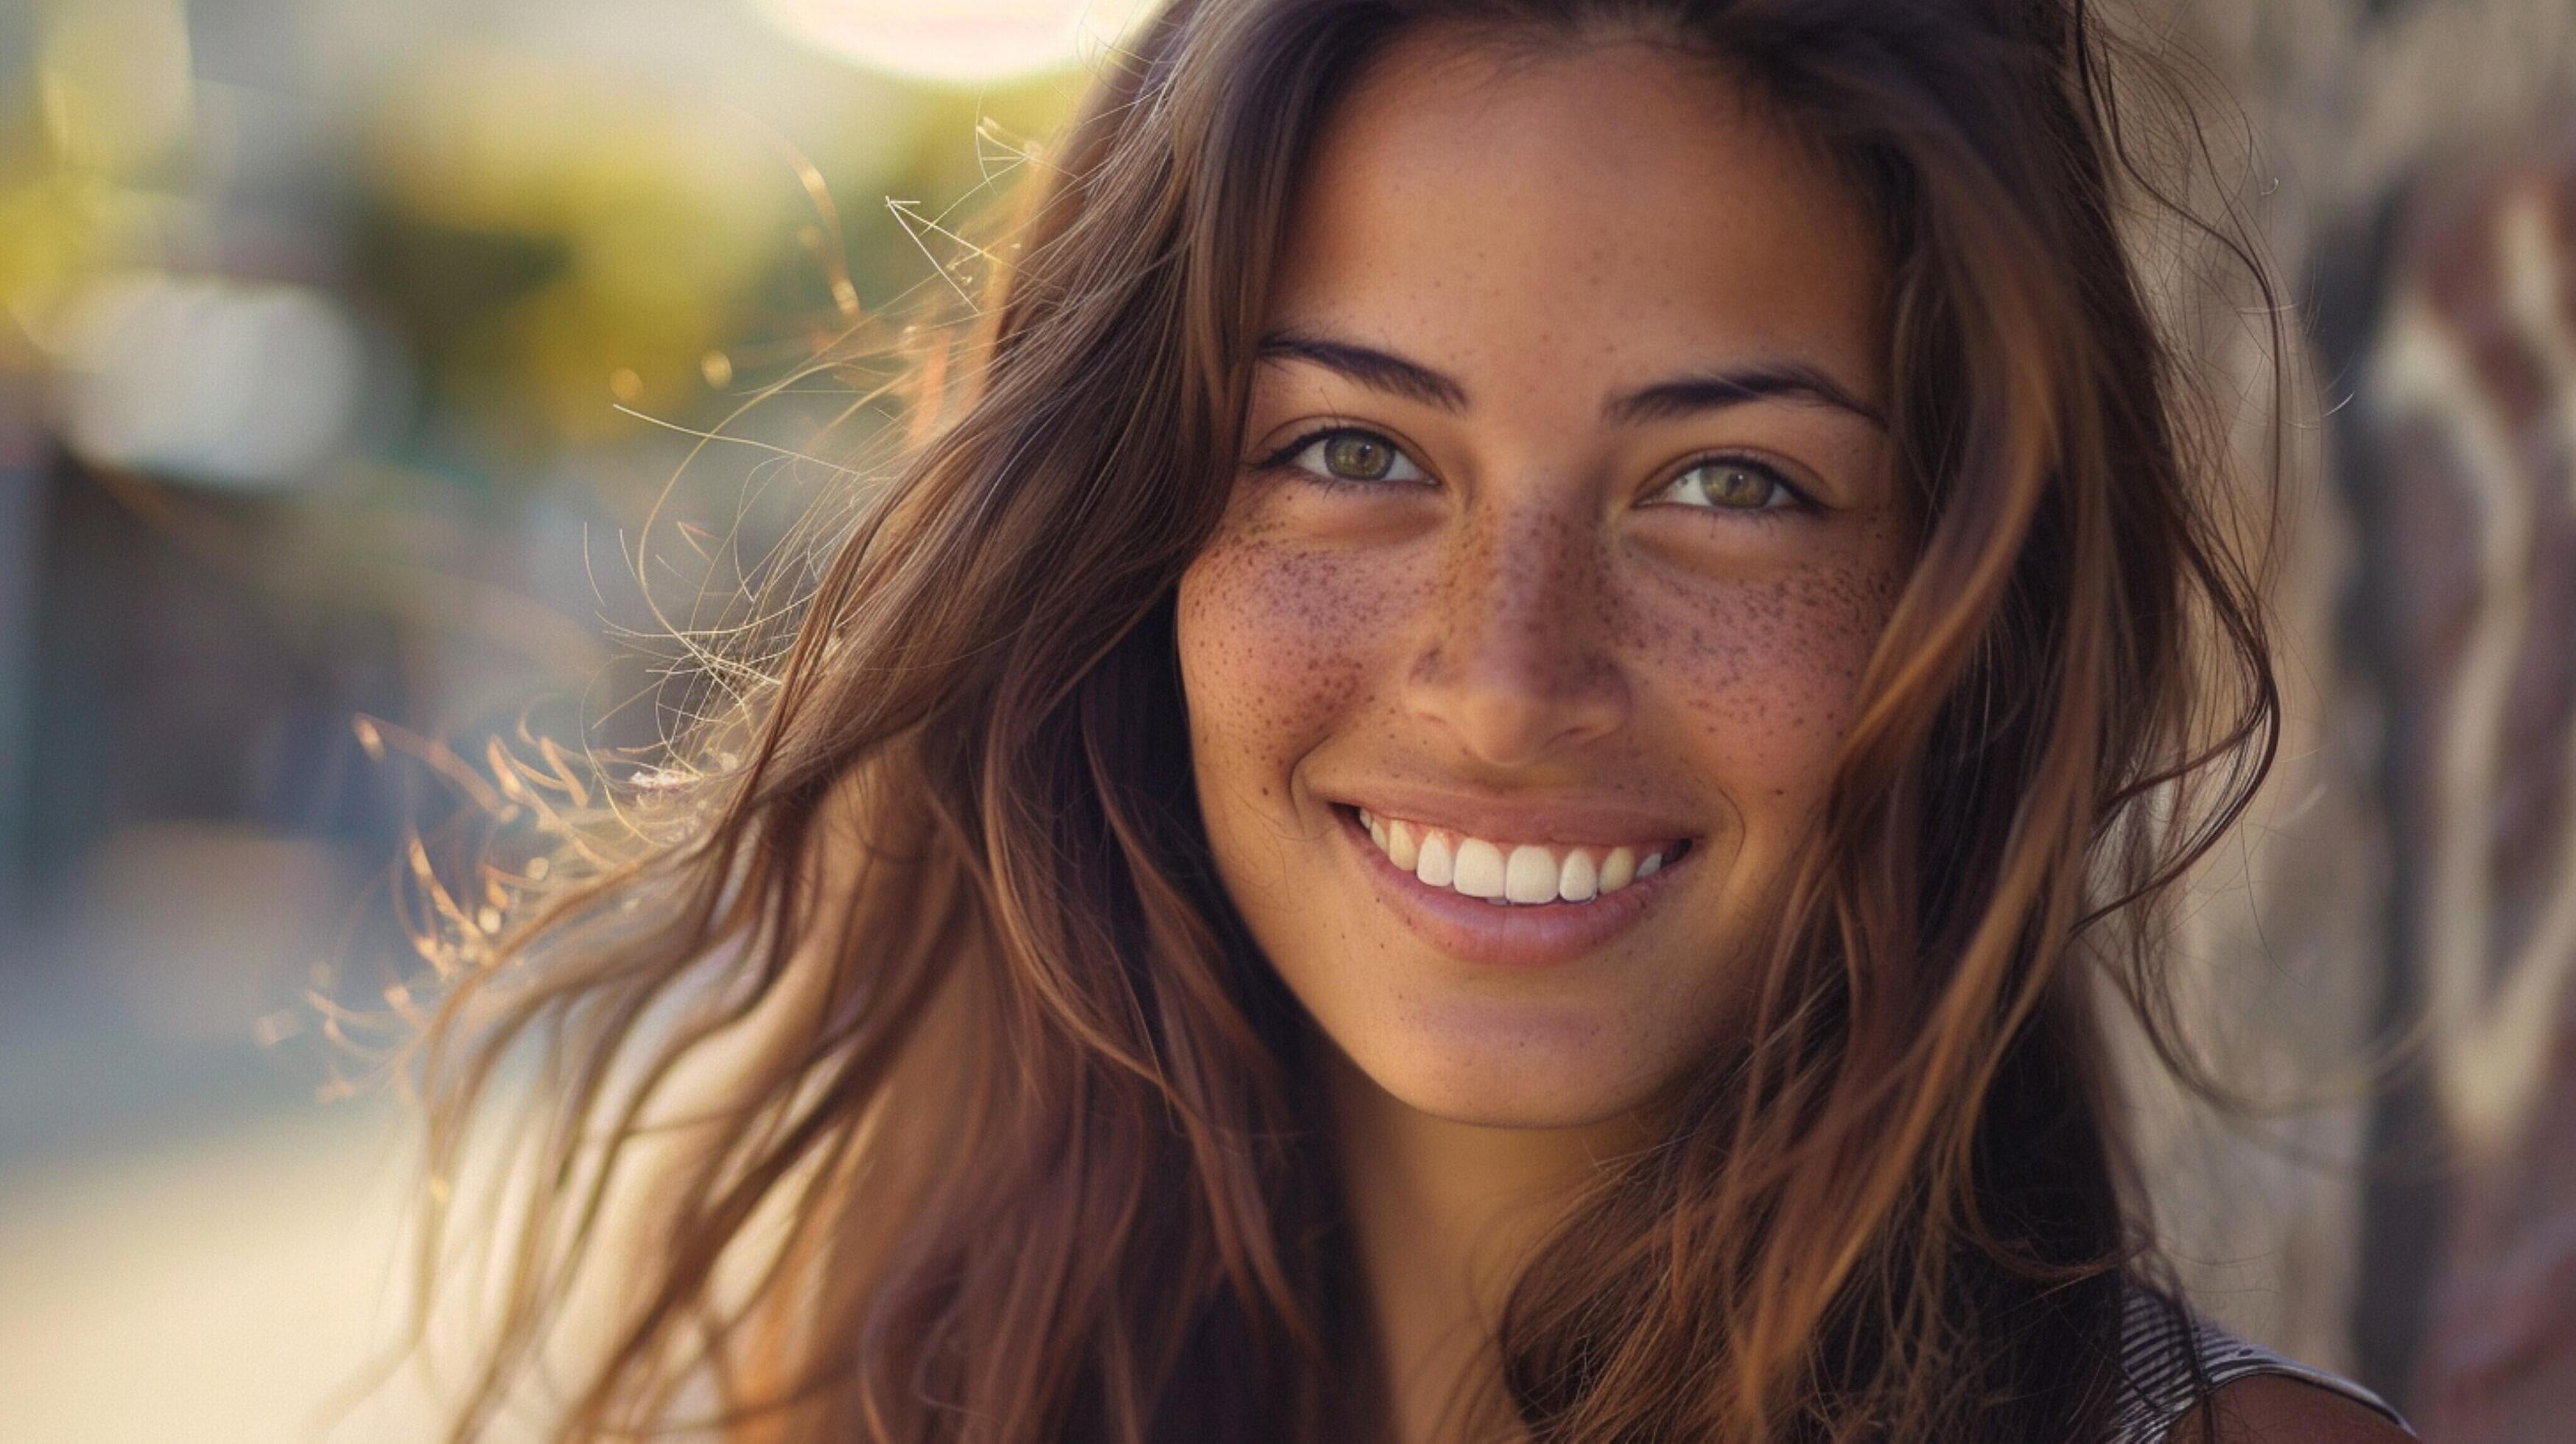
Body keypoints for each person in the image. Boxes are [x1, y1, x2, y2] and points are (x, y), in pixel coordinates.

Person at [402, 1, 2421, 1438]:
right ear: (1127, 548)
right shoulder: (863, 1389)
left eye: (1730, 485)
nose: (1506, 678)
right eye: (1352, 449)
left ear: (1965, 611)